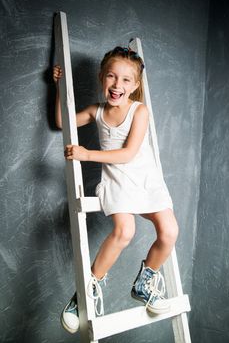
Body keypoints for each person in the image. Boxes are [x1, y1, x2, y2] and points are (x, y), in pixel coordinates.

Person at [53, 46, 179, 334]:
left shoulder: (139, 110)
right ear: (102, 78)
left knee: (170, 231)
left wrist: (86, 154)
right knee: (125, 230)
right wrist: (58, 86)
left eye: (125, 80)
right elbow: (62, 122)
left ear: (135, 86)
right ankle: (82, 297)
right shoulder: (96, 111)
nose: (117, 85)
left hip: (145, 179)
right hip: (117, 181)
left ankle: (145, 281)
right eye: (111, 76)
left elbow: (128, 154)